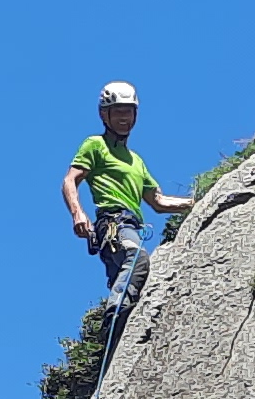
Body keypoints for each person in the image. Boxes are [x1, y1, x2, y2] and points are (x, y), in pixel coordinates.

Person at [61, 81, 191, 289]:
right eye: (118, 112)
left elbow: (159, 201)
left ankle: (117, 320)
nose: (124, 118)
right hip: (114, 223)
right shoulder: (95, 145)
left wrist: (199, 201)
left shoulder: (136, 161)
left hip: (130, 226)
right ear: (104, 115)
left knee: (127, 280)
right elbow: (70, 180)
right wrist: (78, 213)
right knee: (137, 258)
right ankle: (116, 313)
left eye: (129, 112)